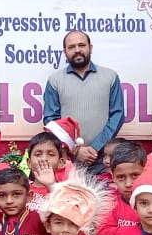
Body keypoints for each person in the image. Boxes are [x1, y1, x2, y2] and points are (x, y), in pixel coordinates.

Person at [43, 31, 125, 172]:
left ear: (90, 48)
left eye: (82, 45)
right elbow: (51, 121)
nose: (77, 50)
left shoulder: (110, 76)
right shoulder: (55, 80)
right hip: (68, 158)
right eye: (71, 47)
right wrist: (75, 149)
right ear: (65, 52)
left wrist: (95, 147)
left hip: (102, 158)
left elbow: (117, 115)